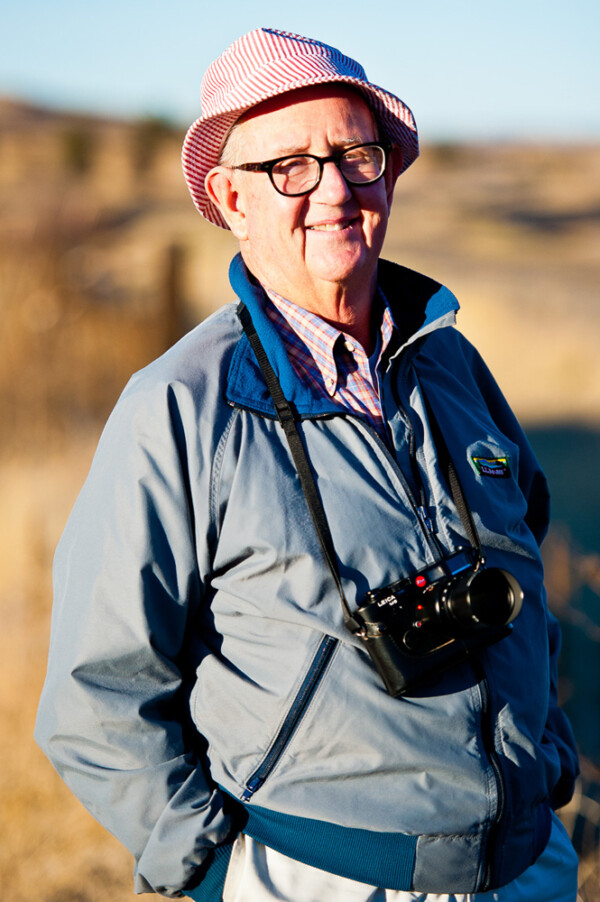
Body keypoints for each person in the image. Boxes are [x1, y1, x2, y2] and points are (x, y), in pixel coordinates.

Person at [36, 27, 580, 902]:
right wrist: (212, 871)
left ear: (390, 173)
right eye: (289, 165)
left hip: (525, 868)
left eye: (355, 154)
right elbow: (97, 690)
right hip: (314, 876)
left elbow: (528, 562)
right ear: (229, 198)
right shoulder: (181, 405)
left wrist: (548, 758)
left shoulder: (451, 366)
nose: (333, 187)